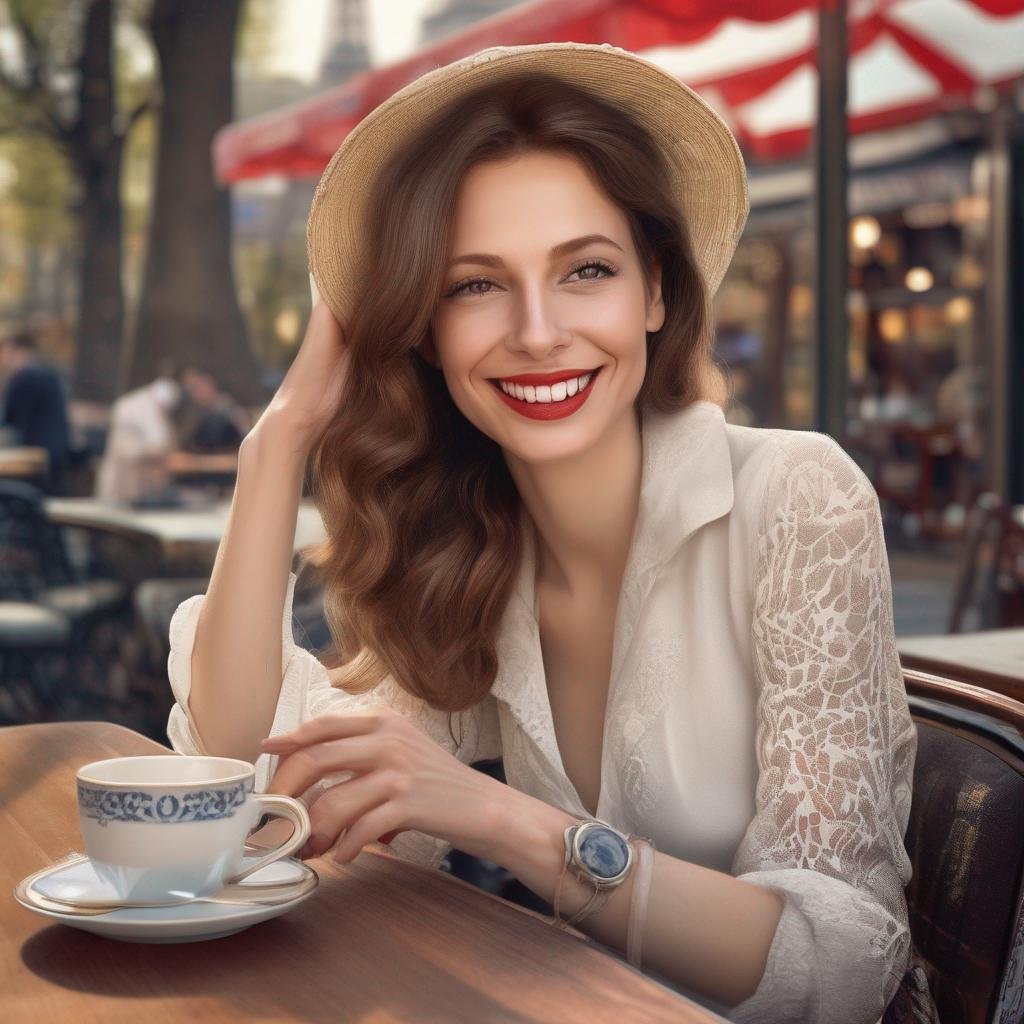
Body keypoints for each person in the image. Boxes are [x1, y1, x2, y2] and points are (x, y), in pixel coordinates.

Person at [164, 44, 938, 1024]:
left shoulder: (797, 496)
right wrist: (277, 445)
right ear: (423, 329)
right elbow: (250, 782)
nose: (537, 331)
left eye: (585, 269)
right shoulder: (470, 543)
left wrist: (503, 818)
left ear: (654, 291)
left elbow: (841, 970)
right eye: (475, 285)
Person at [0, 328, 72, 494]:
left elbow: (8, 421)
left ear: (13, 348)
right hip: (55, 456)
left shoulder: (23, 377)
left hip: (33, 459)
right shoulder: (49, 373)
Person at [95, 372, 182, 504]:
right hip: (122, 484)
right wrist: (157, 451)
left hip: (144, 489)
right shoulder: (127, 408)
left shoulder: (161, 414)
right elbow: (129, 451)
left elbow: (167, 442)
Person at [175, 366, 251, 453]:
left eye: (198, 387)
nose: (198, 393)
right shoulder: (194, 416)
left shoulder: (231, 410)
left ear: (210, 384)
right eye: (192, 390)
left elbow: (246, 439)